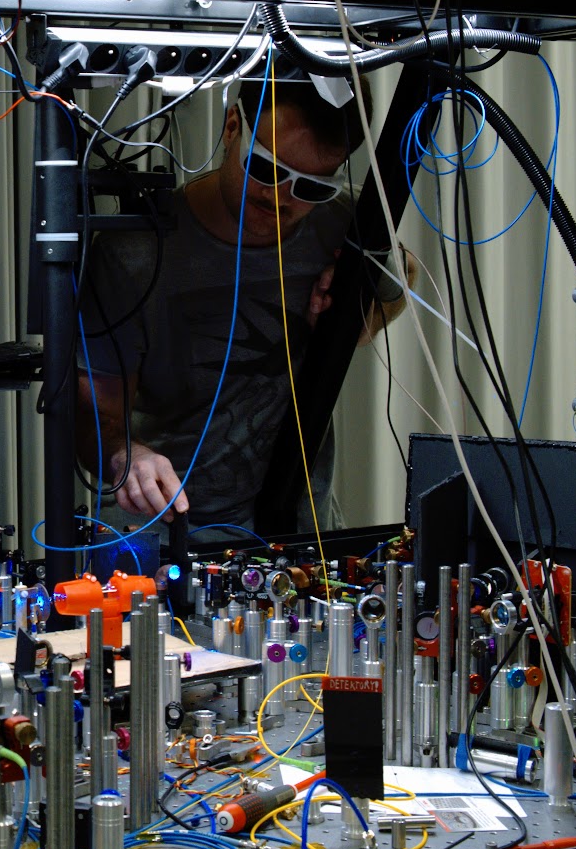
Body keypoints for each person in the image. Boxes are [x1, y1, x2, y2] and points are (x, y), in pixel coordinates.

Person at [78, 67, 414, 535]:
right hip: (162, 532)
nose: (280, 198)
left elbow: (401, 278)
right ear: (232, 126)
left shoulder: (344, 223)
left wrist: (354, 323)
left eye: (311, 187)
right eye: (266, 168)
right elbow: (94, 416)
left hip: (298, 533)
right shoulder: (134, 255)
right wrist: (126, 457)